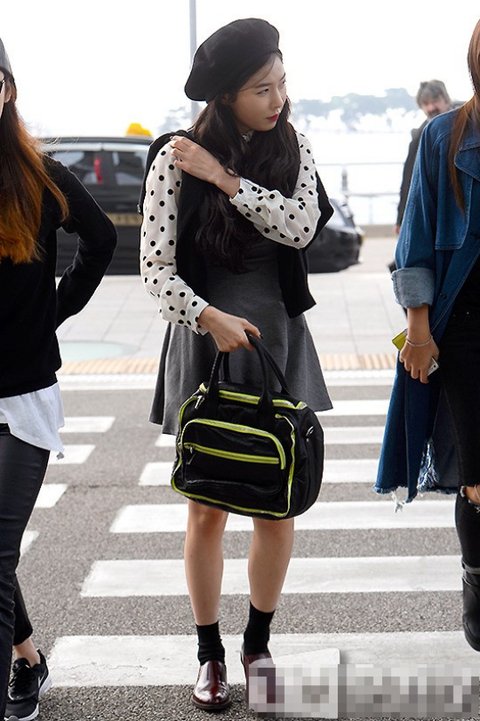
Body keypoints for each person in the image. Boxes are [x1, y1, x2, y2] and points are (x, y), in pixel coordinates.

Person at [140, 18, 333, 711]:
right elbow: (155, 269)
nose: (278, 99)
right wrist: (208, 317)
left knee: (277, 505)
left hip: (277, 339)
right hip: (206, 341)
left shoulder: (293, 148)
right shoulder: (173, 158)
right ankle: (209, 653)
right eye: (261, 89)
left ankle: (258, 644)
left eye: (281, 83)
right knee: (207, 510)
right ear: (225, 96)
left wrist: (224, 179)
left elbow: (300, 226)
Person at [0, 40, 117, 721]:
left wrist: (56, 308)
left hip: (22, 395)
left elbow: (101, 239)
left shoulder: (39, 173)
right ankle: (28, 658)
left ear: (7, 90)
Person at [376, 18, 480, 654]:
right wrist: (418, 330)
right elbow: (413, 244)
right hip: (465, 330)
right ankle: (479, 587)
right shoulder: (445, 137)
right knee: (479, 478)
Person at [395, 80, 452, 235]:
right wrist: (401, 218)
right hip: (432, 209)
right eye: (426, 103)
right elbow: (408, 178)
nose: (431, 107)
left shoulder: (465, 124)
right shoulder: (419, 137)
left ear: (446, 100)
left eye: (435, 101)